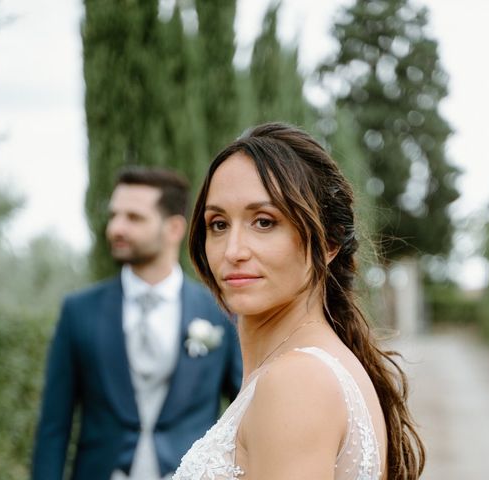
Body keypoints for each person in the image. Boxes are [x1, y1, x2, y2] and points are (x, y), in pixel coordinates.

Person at [172, 123, 425, 480]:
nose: (233, 251)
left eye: (263, 222)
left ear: (328, 242)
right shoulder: (322, 364)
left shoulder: (296, 381)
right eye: (218, 224)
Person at [32, 167, 243, 480]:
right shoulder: (78, 311)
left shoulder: (220, 312)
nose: (116, 227)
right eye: (114, 215)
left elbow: (245, 412)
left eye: (134, 218)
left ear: (173, 229)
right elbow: (54, 427)